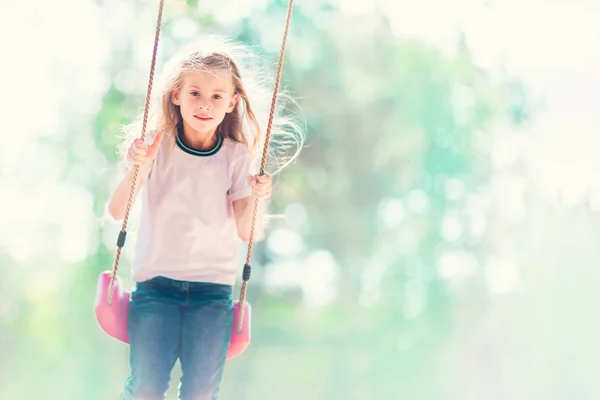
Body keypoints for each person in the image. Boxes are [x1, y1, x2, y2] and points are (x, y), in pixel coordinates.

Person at [107, 36, 303, 400]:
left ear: (232, 102)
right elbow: (117, 210)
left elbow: (248, 232)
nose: (205, 104)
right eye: (195, 93)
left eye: (216, 96)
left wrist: (259, 198)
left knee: (200, 392)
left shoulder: (235, 156)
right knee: (146, 387)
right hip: (155, 289)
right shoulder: (155, 145)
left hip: (212, 294)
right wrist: (140, 162)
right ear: (176, 95)